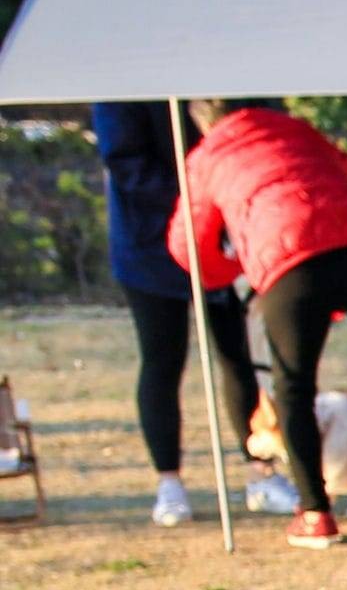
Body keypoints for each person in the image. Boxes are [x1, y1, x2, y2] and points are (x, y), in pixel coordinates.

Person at [170, 101, 347, 545]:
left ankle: (314, 512)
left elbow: (187, 243)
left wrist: (231, 269)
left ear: (203, 122)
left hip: (292, 260)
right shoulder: (298, 130)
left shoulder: (207, 156)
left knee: (293, 386)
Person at [90, 105, 287, 527]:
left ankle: (261, 471)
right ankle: (170, 483)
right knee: (162, 359)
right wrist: (199, 191)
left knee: (238, 356)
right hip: (149, 245)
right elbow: (125, 162)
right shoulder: (119, 87)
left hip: (217, 237)